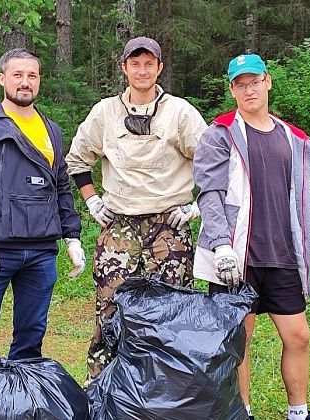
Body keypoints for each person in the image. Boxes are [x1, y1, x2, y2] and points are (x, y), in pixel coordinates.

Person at [193, 53, 310, 420]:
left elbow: (305, 197)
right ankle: (243, 412)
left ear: (268, 81)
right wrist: (221, 245)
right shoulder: (219, 133)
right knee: (240, 342)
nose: (248, 89)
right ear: (232, 90)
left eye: (254, 81)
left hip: (284, 254)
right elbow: (210, 194)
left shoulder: (294, 139)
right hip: (237, 258)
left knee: (298, 336)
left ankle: (298, 413)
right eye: (240, 84)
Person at [66, 36, 208, 380]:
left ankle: (170, 391)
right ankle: (101, 388)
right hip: (120, 226)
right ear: (124, 68)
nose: (142, 70)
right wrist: (92, 199)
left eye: (149, 64)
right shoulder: (105, 113)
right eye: (135, 63)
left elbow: (215, 164)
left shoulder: (180, 113)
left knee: (172, 311)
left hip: (169, 227)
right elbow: (76, 159)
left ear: (159, 68)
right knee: (110, 309)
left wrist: (196, 207)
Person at [0, 48, 85, 373]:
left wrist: (72, 236)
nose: (25, 82)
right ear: (2, 79)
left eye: (32, 75)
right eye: (17, 75)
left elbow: (60, 186)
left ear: (39, 81)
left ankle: (18, 403)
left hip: (41, 255)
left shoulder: (51, 130)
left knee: (31, 339)